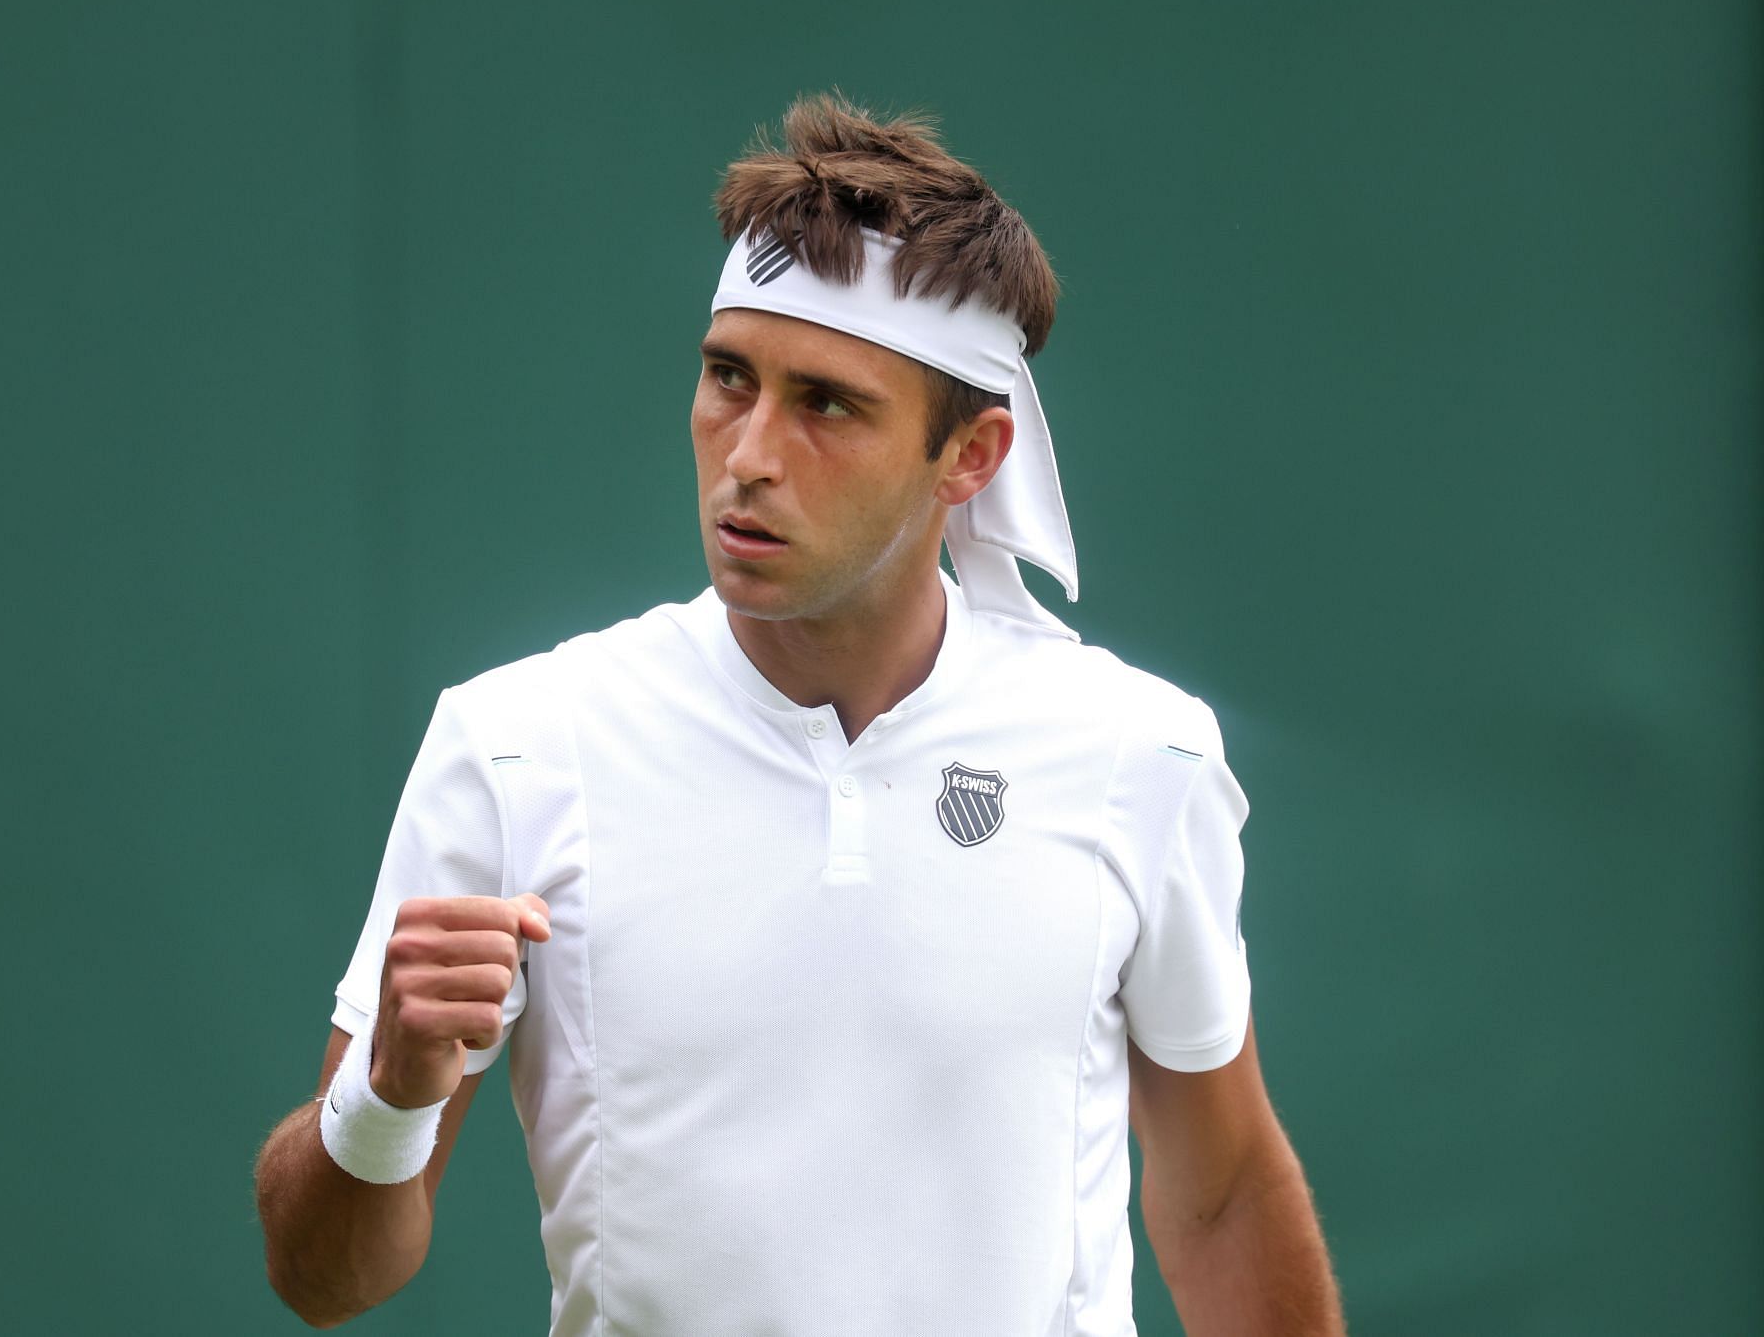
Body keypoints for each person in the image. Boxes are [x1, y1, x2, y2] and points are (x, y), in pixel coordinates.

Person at [253, 93, 1344, 1336]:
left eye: (826, 402)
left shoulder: (1138, 756)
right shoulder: (515, 744)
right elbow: (322, 1278)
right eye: (729, 379)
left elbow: (1219, 1196)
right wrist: (386, 1095)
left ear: (972, 457)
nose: (749, 454)